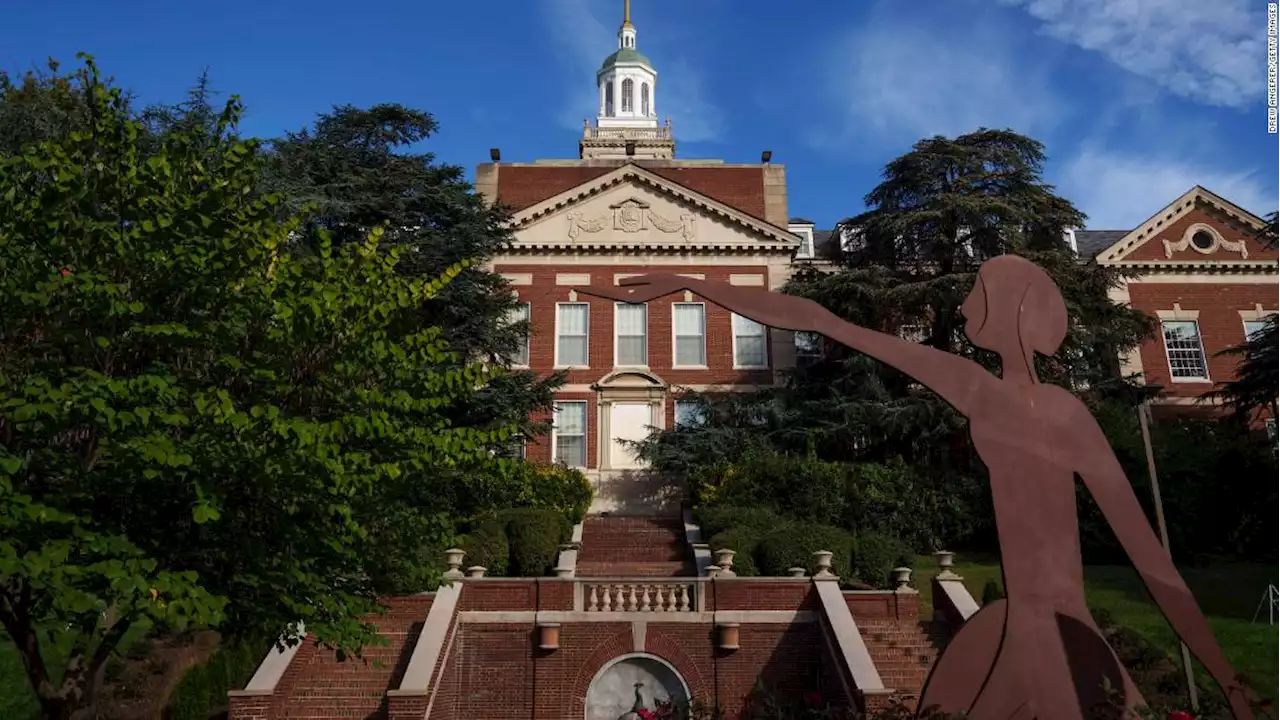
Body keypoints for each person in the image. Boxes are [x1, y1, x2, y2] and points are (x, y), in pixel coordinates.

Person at [577, 255, 1257, 720]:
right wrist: (684, 283)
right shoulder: (988, 392)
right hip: (1018, 623)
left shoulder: (1035, 407)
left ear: (1004, 309)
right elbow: (818, 318)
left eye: (975, 294)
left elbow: (1148, 554)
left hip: (1050, 633)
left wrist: (1225, 676)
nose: (960, 305)